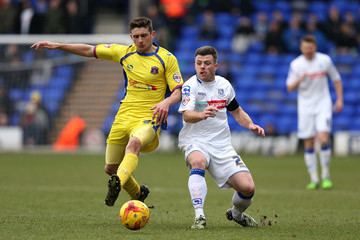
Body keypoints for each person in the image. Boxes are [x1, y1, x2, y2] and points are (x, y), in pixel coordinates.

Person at [32, 17, 183, 206]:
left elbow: (178, 91)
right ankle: (138, 193)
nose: (140, 40)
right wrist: (58, 46)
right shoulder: (123, 53)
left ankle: (117, 184)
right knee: (111, 167)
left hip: (149, 117)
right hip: (124, 115)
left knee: (133, 145)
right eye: (136, 36)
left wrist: (166, 102)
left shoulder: (167, 59)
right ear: (131, 37)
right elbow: (89, 50)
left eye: (144, 35)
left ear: (152, 35)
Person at [178, 46, 265, 229]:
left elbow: (237, 111)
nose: (202, 67)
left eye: (207, 63)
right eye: (198, 63)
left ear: (216, 65)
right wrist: (201, 114)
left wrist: (250, 124)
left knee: (248, 188)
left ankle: (236, 213)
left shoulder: (224, 85)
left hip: (221, 145)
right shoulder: (190, 86)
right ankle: (199, 216)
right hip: (195, 140)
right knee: (198, 161)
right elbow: (186, 115)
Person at [286, 35, 343, 190]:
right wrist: (300, 79)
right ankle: (314, 179)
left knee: (324, 138)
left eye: (310, 48)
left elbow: (336, 79)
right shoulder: (296, 64)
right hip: (305, 106)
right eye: (305, 48)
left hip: (323, 103)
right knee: (309, 142)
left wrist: (339, 99)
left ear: (315, 48)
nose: (308, 51)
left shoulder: (324, 60)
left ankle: (326, 176)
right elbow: (289, 87)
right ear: (301, 48)